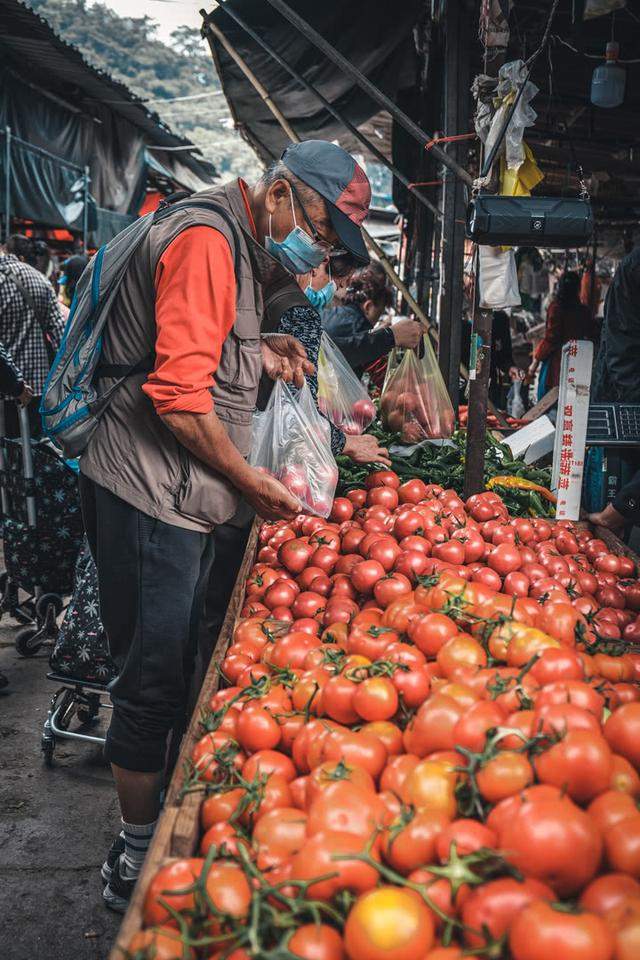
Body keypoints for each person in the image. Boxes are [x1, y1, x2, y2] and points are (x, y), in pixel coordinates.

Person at [77, 139, 373, 912]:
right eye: (321, 225)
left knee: (175, 667)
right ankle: (133, 853)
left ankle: (150, 825)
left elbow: (200, 350)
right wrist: (253, 482)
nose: (321, 250)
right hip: (149, 494)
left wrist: (262, 350)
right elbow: (177, 397)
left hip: (181, 495)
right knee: (149, 680)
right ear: (280, 192)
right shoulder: (211, 239)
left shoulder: (241, 242)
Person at [0, 235, 66, 437]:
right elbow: (61, 335)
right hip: (39, 390)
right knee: (34, 455)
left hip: (6, 391)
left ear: (5, 249)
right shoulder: (41, 280)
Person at [322, 262, 422, 375]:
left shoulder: (327, 314)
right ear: (368, 306)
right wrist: (392, 336)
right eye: (378, 313)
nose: (375, 322)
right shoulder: (360, 326)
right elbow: (351, 350)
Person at [526, 271, 596, 394]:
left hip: (558, 362)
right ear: (578, 288)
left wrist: (535, 363)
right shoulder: (584, 311)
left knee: (553, 398)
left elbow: (551, 339)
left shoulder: (556, 308)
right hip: (578, 360)